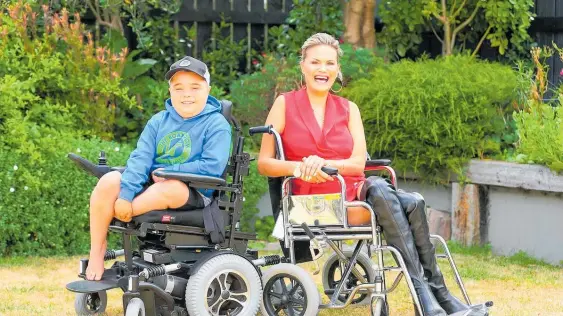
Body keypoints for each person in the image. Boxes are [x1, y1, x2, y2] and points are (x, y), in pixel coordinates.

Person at [256, 33, 470, 316]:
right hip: (310, 201)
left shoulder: (349, 109)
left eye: (330, 63)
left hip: (355, 191)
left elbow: (358, 163)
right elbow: (264, 163)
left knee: (404, 197)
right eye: (316, 62)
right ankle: (431, 297)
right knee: (409, 201)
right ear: (303, 66)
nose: (323, 69)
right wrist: (300, 167)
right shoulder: (285, 104)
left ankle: (433, 297)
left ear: (337, 69)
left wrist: (325, 162)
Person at [85, 56, 232, 281]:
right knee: (108, 181)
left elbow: (212, 166)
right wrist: (125, 193)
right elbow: (140, 159)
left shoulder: (217, 124)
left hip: (193, 192)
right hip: (153, 185)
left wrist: (171, 171)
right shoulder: (158, 121)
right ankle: (97, 250)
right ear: (170, 90)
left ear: (208, 90)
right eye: (178, 87)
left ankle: (121, 212)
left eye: (195, 87)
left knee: (171, 186)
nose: (187, 94)